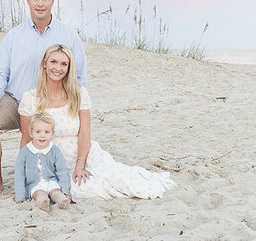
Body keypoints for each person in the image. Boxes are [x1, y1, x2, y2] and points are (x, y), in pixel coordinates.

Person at [0, 0, 87, 197]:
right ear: (27, 0)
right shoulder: (14, 36)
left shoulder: (68, 35)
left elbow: (79, 76)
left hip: (51, 107)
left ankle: (43, 178)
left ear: (53, 1)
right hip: (17, 103)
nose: (40, 3)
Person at [19, 44, 175, 200]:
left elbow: (85, 132)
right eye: (53, 62)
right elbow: (27, 140)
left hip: (83, 153)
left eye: (63, 64)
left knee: (115, 177)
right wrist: (25, 178)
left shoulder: (79, 94)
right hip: (52, 161)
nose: (58, 68)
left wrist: (80, 165)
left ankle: (145, 180)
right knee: (84, 190)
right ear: (44, 63)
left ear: (68, 68)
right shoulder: (30, 98)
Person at [14, 112, 71, 211]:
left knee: (55, 191)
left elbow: (62, 171)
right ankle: (43, 202)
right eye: (38, 132)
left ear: (52, 133)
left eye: (46, 132)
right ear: (31, 133)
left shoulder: (55, 150)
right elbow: (19, 174)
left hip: (52, 181)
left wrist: (66, 191)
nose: (42, 136)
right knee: (39, 192)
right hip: (33, 184)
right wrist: (19, 196)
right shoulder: (25, 151)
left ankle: (61, 200)